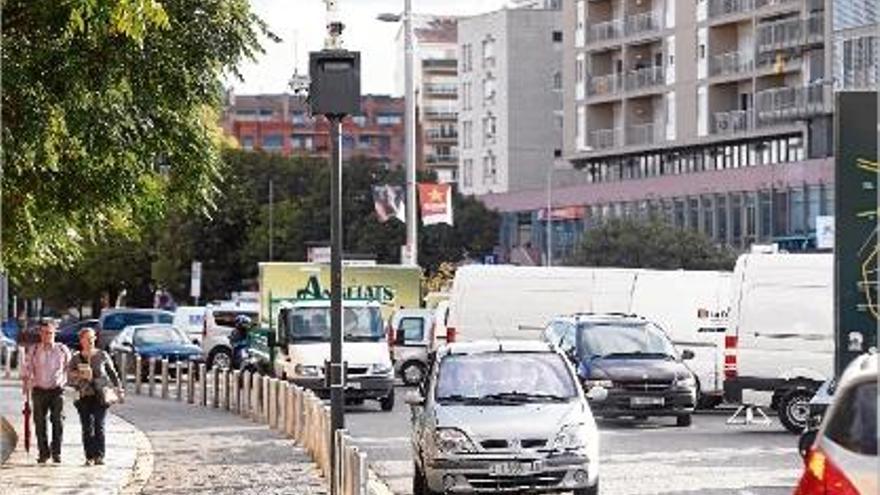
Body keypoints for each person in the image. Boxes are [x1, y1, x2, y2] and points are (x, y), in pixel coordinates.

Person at [68, 327, 122, 466]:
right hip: (84, 395)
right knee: (87, 427)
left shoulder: (102, 355)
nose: (91, 341)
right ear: (81, 340)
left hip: (100, 394)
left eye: (92, 338)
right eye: (87, 338)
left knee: (99, 425)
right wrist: (79, 375)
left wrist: (118, 389)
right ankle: (89, 456)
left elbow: (112, 373)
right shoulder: (75, 357)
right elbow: (69, 376)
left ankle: (100, 455)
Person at [21, 319, 71, 464]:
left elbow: (70, 367)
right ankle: (43, 453)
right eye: (43, 333)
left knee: (58, 422)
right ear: (40, 334)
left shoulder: (62, 350)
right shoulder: (34, 349)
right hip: (39, 390)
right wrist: (26, 382)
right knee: (39, 423)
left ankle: (56, 452)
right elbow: (28, 367)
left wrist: (67, 382)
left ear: (55, 333)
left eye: (49, 333)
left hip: (57, 391)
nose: (46, 336)